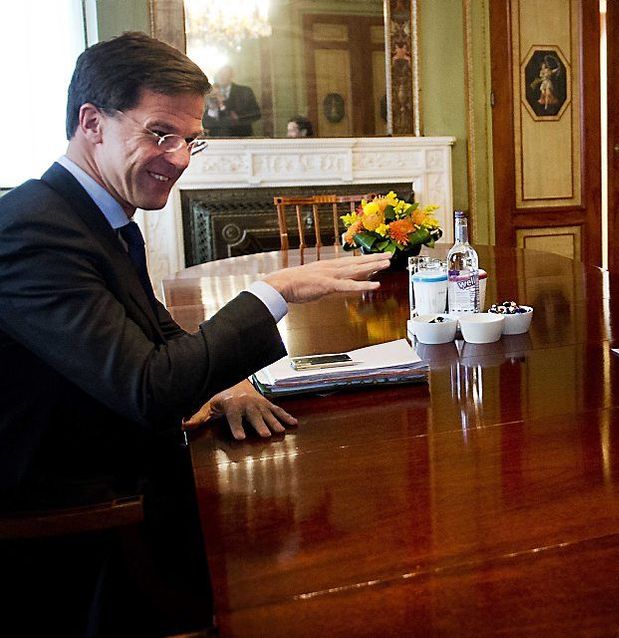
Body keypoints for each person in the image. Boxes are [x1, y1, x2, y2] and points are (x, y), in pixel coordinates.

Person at [0, 32, 390, 635]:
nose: (180, 158)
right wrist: (275, 290)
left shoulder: (91, 216)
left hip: (122, 457)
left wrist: (220, 386)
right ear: (92, 123)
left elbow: (156, 335)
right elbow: (149, 388)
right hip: (77, 515)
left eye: (191, 139)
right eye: (161, 133)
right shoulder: (32, 230)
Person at [203, 64, 261, 136]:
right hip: (216, 139)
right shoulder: (208, 93)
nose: (222, 76)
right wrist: (212, 109)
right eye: (220, 73)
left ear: (231, 76)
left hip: (241, 138)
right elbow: (203, 121)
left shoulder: (245, 92)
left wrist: (238, 118)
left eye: (225, 74)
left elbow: (256, 114)